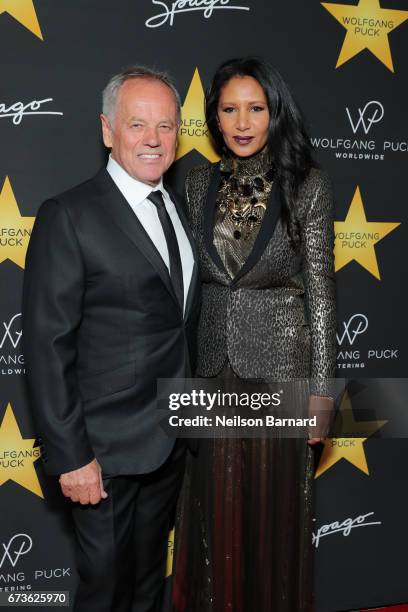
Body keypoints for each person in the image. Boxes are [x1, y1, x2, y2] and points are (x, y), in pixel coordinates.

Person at [22, 65, 200, 612]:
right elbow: (47, 348)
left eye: (166, 126)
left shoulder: (182, 207)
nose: (153, 139)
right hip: (101, 453)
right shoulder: (69, 214)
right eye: (137, 124)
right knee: (105, 591)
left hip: (172, 443)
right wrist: (72, 456)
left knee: (150, 586)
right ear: (107, 130)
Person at [172, 57, 336, 611]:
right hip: (214, 369)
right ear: (215, 119)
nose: (242, 122)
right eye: (229, 109)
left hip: (281, 370)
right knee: (213, 520)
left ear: (275, 112)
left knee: (274, 516)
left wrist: (322, 392)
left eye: (255, 108)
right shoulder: (196, 183)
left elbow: (322, 293)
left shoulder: (308, 186)